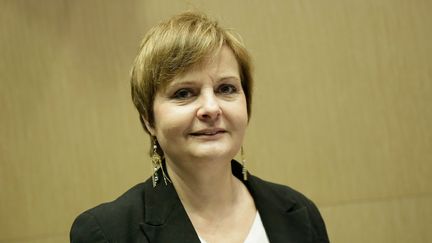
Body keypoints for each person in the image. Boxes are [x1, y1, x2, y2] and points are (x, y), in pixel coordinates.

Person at [70, 12, 329, 243]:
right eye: (184, 93)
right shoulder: (106, 233)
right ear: (148, 119)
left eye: (225, 89)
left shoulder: (299, 214)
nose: (211, 108)